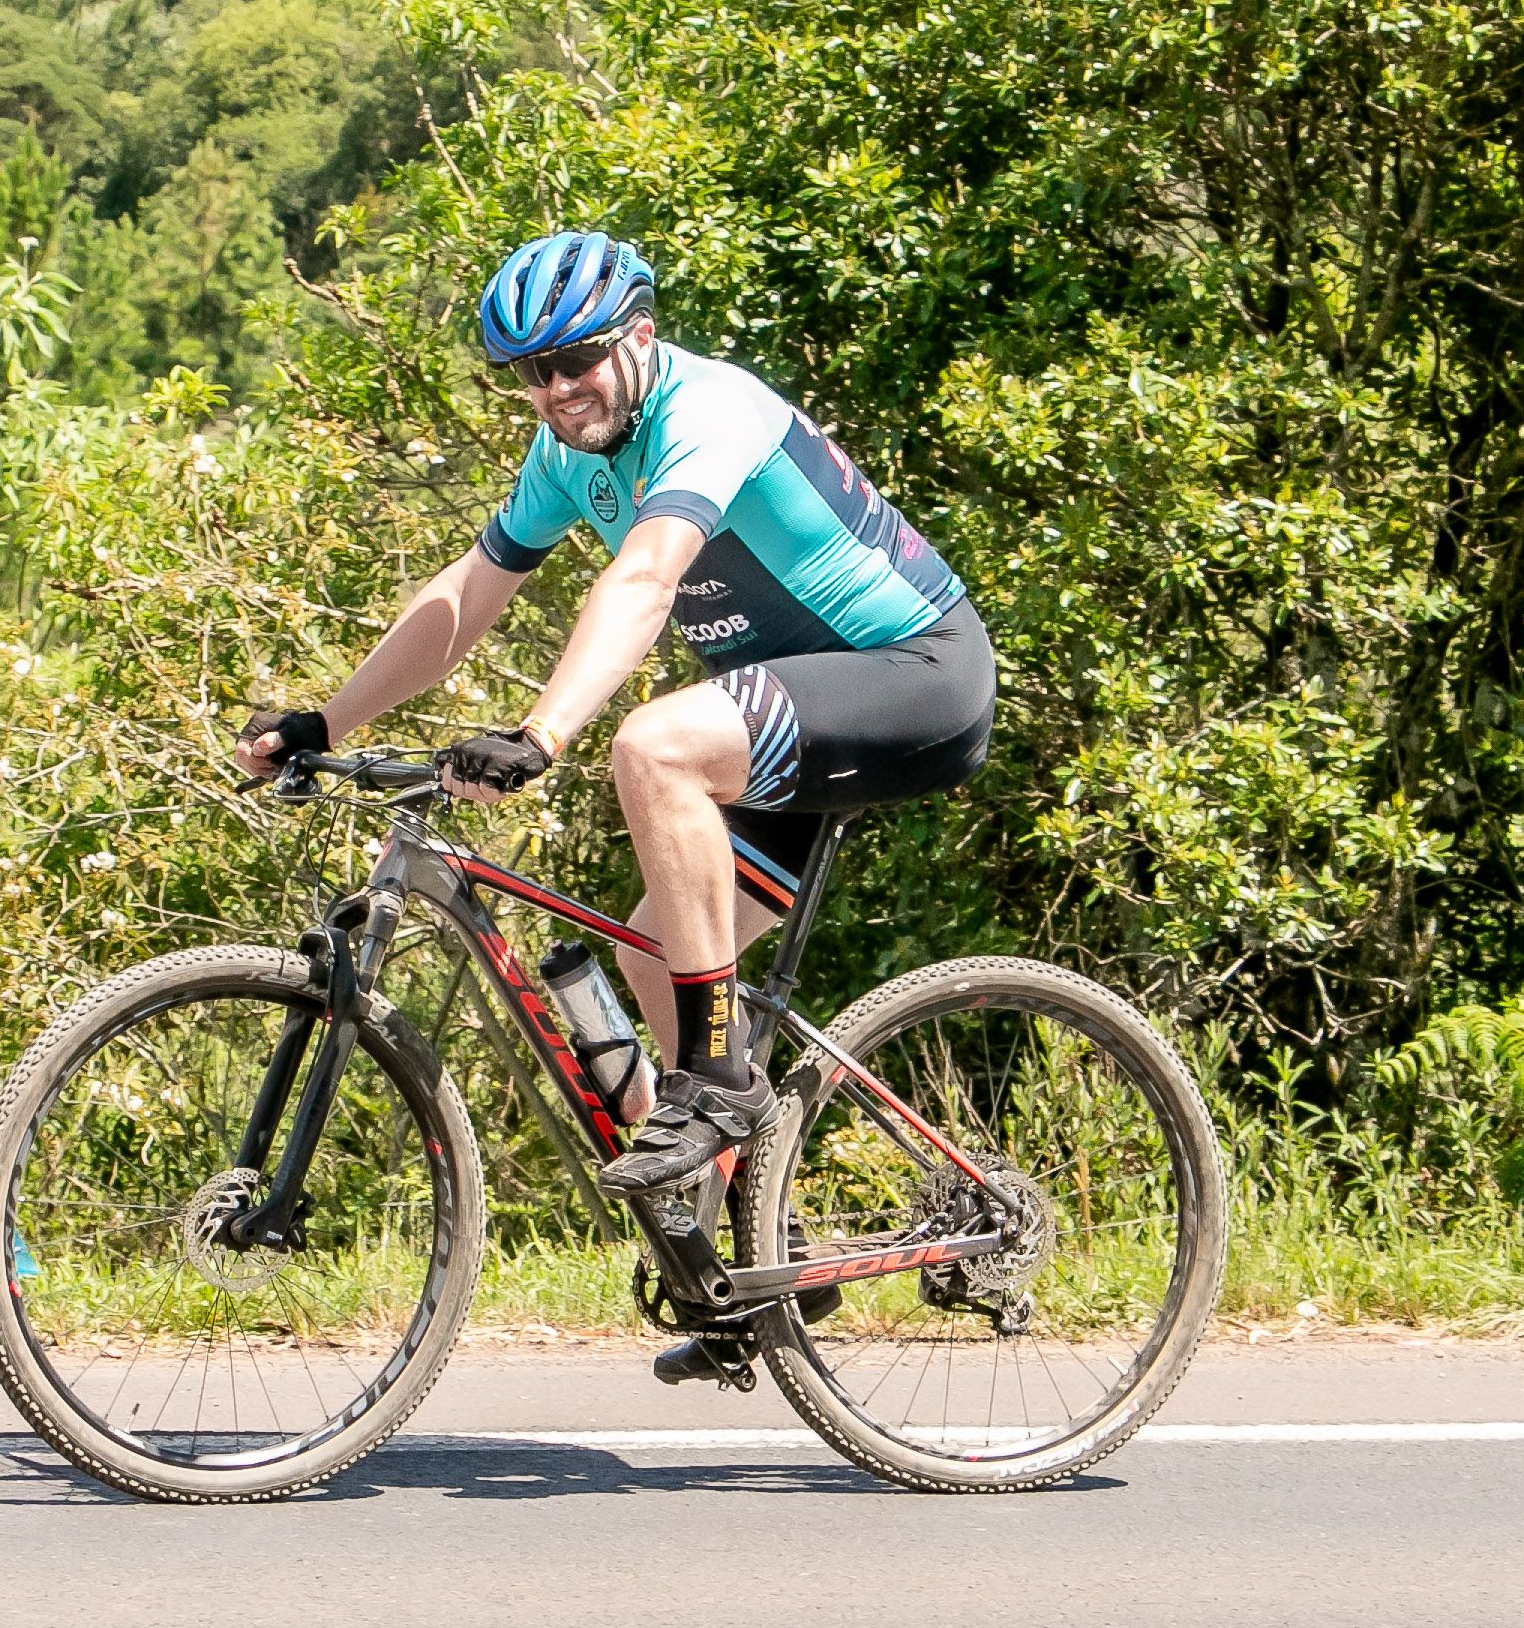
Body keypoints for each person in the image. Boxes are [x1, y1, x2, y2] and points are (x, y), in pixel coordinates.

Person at [233, 229, 994, 1197]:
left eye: (576, 360)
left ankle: (720, 1083)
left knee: (655, 746)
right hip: (793, 708)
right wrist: (326, 722)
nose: (557, 390)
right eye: (531, 373)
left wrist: (541, 733)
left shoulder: (709, 408)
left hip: (914, 672)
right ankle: (747, 1233)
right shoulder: (565, 455)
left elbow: (646, 577)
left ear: (638, 336)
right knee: (657, 952)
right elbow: (466, 597)